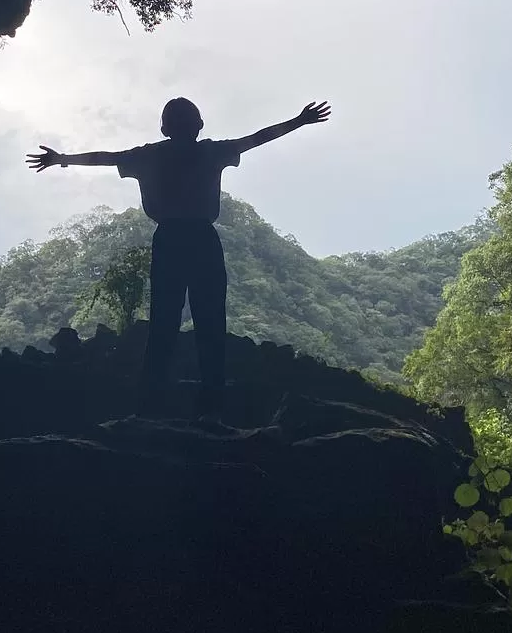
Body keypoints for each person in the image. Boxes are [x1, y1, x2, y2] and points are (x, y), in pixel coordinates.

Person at [27, 98, 331, 409]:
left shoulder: (149, 156)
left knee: (164, 320)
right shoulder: (211, 151)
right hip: (203, 240)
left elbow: (104, 158)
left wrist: (61, 158)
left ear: (164, 127)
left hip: (169, 240)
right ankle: (212, 401)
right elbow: (256, 139)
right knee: (210, 320)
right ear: (199, 125)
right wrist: (299, 121)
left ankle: (152, 398)